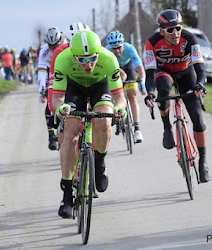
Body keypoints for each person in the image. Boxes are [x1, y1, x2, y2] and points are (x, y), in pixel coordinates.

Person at [52, 30, 127, 218]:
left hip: (99, 87)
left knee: (104, 120)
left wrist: (120, 108)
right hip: (73, 88)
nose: (88, 64)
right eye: (82, 60)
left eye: (92, 59)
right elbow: (57, 97)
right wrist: (60, 108)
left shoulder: (109, 59)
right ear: (73, 55)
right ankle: (67, 193)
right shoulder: (62, 59)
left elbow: (119, 96)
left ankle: (99, 162)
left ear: (98, 53)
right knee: (69, 135)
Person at [143, 9, 211, 183]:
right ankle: (167, 128)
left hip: (186, 73)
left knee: (197, 117)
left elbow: (200, 68)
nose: (175, 33)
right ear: (161, 31)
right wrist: (150, 93)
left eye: (178, 28)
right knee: (163, 87)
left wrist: (200, 84)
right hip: (163, 72)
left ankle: (202, 162)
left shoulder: (190, 38)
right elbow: (149, 73)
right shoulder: (152, 43)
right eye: (170, 29)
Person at [106, 30, 146, 143]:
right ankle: (117, 114)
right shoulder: (106, 51)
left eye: (119, 47)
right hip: (114, 70)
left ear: (123, 45)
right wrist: (119, 72)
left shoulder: (130, 48)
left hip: (128, 67)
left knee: (132, 95)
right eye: (114, 48)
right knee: (113, 93)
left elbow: (139, 67)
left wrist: (142, 82)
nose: (117, 51)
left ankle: (137, 128)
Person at [37, 27, 64, 150]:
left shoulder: (67, 46)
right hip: (51, 71)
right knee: (50, 101)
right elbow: (42, 73)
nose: (53, 49)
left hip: (64, 69)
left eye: (56, 46)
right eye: (51, 47)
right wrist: (42, 90)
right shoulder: (44, 52)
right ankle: (51, 135)